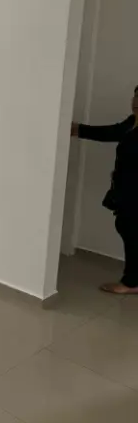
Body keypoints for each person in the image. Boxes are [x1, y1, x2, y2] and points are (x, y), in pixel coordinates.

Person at [72, 85, 138, 293]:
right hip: (125, 188)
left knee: (131, 230)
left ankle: (131, 283)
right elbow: (111, 132)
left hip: (134, 191)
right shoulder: (132, 123)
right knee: (127, 228)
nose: (136, 101)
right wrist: (78, 129)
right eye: (135, 96)